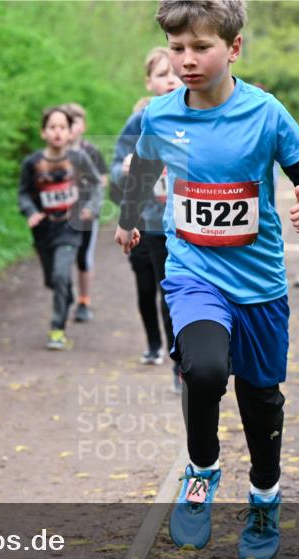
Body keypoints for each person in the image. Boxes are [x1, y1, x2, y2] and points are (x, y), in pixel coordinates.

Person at [116, 0, 299, 559]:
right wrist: (129, 214)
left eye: (200, 48)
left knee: (260, 400)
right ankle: (202, 471)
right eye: (177, 48)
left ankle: (264, 497)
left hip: (258, 282)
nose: (186, 60)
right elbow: (142, 165)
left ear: (233, 49)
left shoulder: (266, 113)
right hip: (193, 271)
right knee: (205, 369)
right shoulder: (160, 115)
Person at [110, 48, 181, 391]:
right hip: (154, 223)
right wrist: (124, 169)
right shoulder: (141, 120)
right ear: (149, 82)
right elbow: (116, 164)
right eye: (162, 74)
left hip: (195, 222)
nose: (171, 79)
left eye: (176, 72)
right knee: (167, 294)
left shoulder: (201, 113)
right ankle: (177, 364)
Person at [18, 106, 101, 350]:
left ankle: (57, 329)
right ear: (43, 132)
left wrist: (90, 208)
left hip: (70, 227)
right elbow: (23, 192)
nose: (57, 132)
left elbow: (96, 184)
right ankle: (66, 294)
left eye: (62, 127)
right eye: (52, 127)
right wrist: (31, 212)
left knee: (62, 274)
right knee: (53, 280)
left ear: (69, 132)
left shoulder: (79, 159)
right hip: (44, 229)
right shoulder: (32, 163)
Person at [62, 102, 107, 323]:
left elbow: (102, 180)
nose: (70, 127)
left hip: (87, 214)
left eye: (75, 121)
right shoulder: (56, 153)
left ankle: (84, 301)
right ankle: (65, 292)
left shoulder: (90, 152)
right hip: (62, 214)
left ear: (83, 126)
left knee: (83, 257)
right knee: (64, 254)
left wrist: (91, 205)